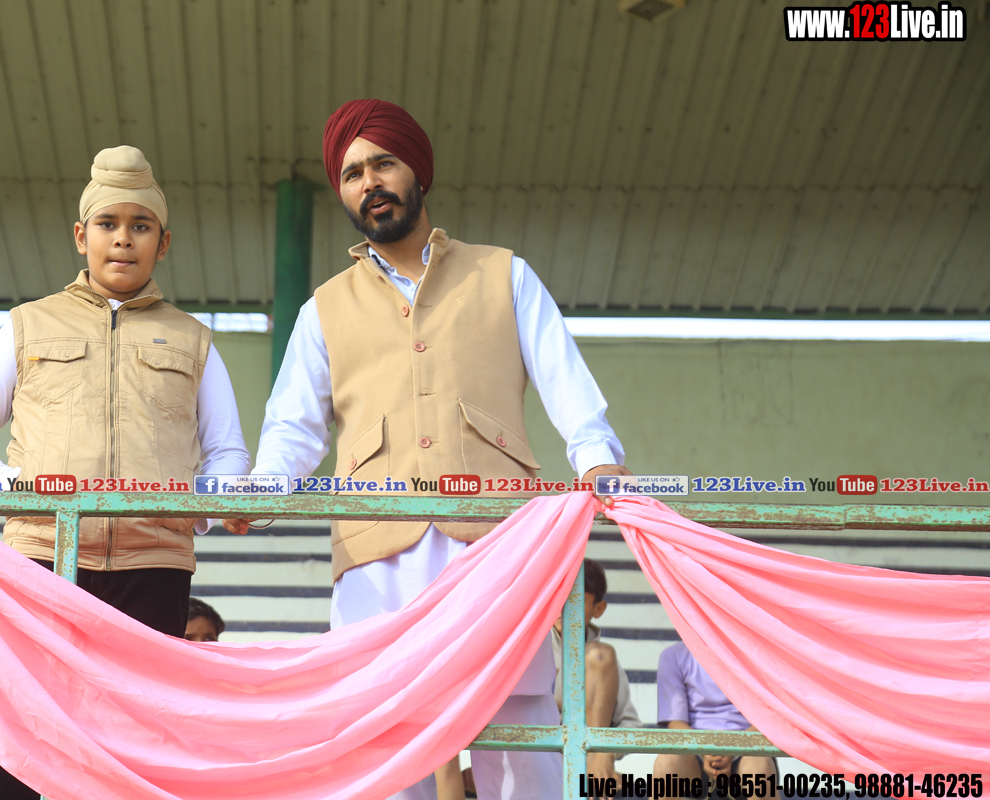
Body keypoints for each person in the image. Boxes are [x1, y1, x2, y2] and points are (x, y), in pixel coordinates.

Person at [233, 99, 631, 800]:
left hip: (496, 553)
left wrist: (597, 460)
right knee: (386, 765)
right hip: (374, 558)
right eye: (352, 173)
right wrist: (261, 493)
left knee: (524, 758)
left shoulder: (504, 275)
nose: (369, 182)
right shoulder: (323, 308)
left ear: (418, 170)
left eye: (383, 163)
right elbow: (292, 431)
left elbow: (568, 387)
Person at [0, 145, 250, 800]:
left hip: (155, 565)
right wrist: (16, 491)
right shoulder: (27, 326)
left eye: (141, 226)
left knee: (137, 742)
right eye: (109, 224)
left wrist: (205, 503)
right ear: (82, 236)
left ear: (163, 243)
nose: (124, 238)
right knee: (20, 735)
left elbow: (228, 451)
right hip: (41, 560)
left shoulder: (194, 339)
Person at [551, 559, 642, 784]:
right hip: (540, 760)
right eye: (557, 597)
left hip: (591, 768)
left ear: (598, 609)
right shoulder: (532, 648)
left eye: (575, 600)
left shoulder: (605, 661)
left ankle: (591, 764)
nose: (563, 608)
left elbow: (629, 724)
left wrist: (605, 753)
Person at [655, 642, 778, 793]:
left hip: (749, 745)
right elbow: (675, 723)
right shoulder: (674, 655)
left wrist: (734, 747)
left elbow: (768, 719)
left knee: (759, 773)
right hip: (693, 750)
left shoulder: (757, 653)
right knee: (665, 766)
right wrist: (703, 748)